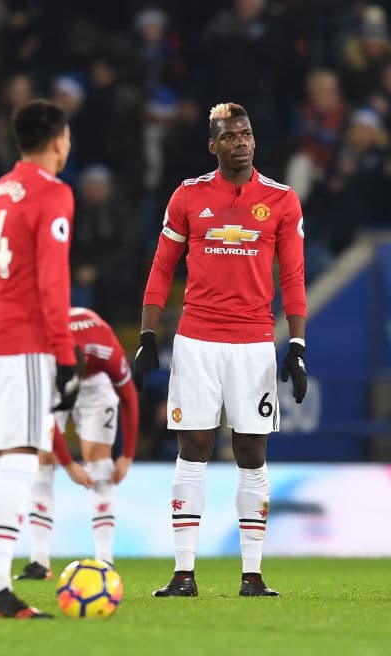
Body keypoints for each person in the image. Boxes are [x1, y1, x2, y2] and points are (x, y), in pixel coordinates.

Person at [134, 102, 307, 598]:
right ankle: (183, 574)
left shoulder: (281, 200)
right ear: (213, 146)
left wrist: (295, 344)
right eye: (230, 136)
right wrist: (148, 334)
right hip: (196, 340)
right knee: (193, 449)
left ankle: (252, 575)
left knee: (252, 452)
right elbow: (162, 266)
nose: (241, 142)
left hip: (253, 343)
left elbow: (293, 276)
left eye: (247, 134)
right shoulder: (188, 196)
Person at [0, 99, 87, 619]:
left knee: (1, 459)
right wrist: (64, 354)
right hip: (26, 341)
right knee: (20, 458)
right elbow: (52, 279)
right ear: (58, 140)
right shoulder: (53, 193)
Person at [15, 307, 139, 581]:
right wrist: (69, 464)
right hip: (55, 379)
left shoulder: (106, 349)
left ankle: (105, 559)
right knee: (42, 459)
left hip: (97, 385)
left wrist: (127, 454)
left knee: (100, 464)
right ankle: (39, 560)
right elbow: (45, 415)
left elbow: (129, 397)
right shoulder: (45, 356)